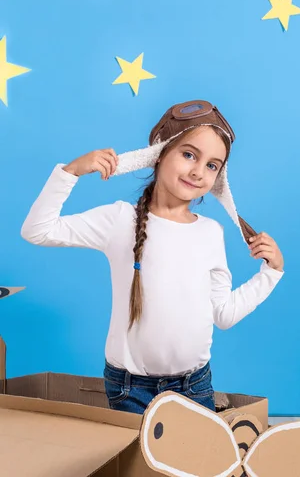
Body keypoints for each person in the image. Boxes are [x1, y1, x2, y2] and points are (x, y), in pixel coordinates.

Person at [21, 100, 284, 414]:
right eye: (189, 154)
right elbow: (38, 230)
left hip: (194, 386)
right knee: (139, 464)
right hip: (130, 388)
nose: (199, 172)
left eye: (212, 165)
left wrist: (271, 273)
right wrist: (71, 172)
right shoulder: (119, 221)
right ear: (159, 155)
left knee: (198, 463)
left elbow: (223, 314)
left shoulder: (211, 232)